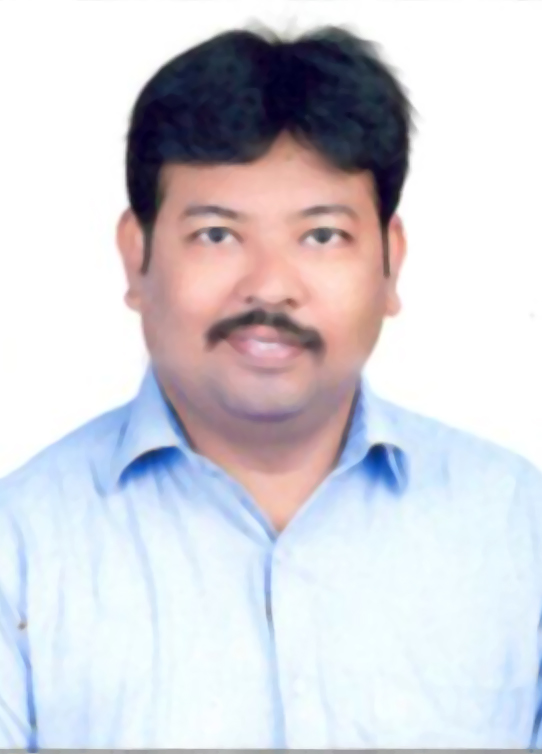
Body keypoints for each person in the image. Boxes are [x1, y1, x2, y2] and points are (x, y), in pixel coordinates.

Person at [1, 22, 541, 751]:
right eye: (218, 234)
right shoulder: (20, 547)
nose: (269, 286)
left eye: (321, 236)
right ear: (137, 257)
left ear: (390, 262)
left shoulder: (516, 525)